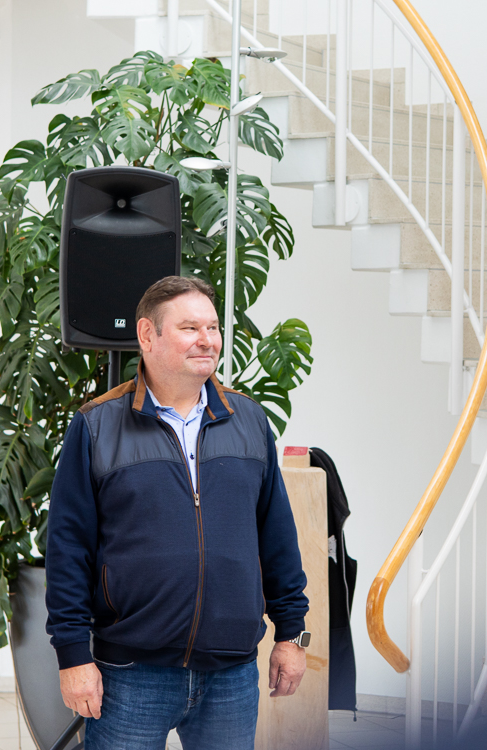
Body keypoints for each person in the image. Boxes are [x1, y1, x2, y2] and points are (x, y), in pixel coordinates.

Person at [45, 276, 310, 750]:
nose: (207, 339)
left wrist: (292, 634)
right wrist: (72, 657)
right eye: (190, 327)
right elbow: (68, 549)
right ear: (148, 336)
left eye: (212, 327)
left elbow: (277, 537)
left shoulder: (249, 421)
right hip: (129, 674)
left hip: (231, 674)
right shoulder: (97, 424)